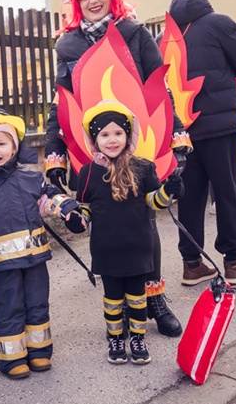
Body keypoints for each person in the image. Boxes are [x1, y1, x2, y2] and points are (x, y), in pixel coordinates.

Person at [43, 0, 186, 335]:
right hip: (93, 148)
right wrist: (55, 152)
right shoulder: (67, 46)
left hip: (136, 142)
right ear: (76, 4)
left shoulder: (135, 34)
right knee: (109, 227)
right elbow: (62, 100)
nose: (93, 2)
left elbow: (160, 88)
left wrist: (178, 134)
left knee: (143, 222)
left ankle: (153, 297)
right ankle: (118, 302)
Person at [0, 109, 80, 379]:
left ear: (15, 147)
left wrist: (70, 210)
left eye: (2, 143)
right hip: (2, 264)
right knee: (8, 306)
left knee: (37, 303)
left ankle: (39, 351)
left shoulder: (30, 177)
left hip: (35, 259)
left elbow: (49, 198)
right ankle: (10, 357)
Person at [72, 101, 184, 364]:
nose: (112, 140)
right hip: (106, 248)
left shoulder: (143, 167)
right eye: (105, 134)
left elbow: (153, 202)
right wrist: (77, 221)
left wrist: (169, 191)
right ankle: (115, 339)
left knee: (137, 298)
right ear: (95, 139)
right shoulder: (88, 172)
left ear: (128, 135)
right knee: (112, 299)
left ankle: (138, 338)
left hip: (138, 246)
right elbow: (85, 208)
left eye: (118, 133)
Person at [168, 0, 236, 285]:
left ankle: (192, 264)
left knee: (190, 197)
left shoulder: (166, 35)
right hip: (220, 126)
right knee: (229, 191)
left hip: (183, 131)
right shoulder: (218, 23)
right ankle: (233, 262)